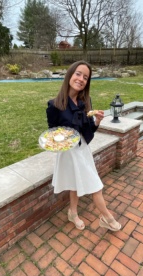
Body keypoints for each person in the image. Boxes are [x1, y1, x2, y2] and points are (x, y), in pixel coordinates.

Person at [46, 60, 121, 231]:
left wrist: (97, 122)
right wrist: (61, 139)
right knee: (95, 185)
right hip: (69, 151)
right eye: (78, 74)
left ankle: (72, 212)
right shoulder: (54, 105)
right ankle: (107, 218)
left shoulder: (85, 102)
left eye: (85, 77)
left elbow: (88, 130)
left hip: (83, 149)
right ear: (70, 75)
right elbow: (52, 133)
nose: (81, 79)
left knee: (76, 182)